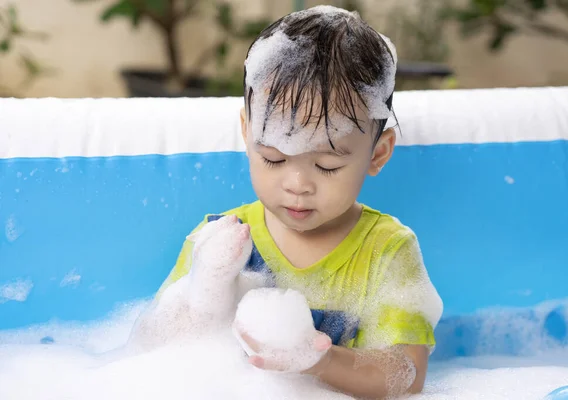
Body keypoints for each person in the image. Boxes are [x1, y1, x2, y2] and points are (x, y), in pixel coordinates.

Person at [157, 5, 443, 399]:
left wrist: (317, 361)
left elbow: (406, 375)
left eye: (326, 166)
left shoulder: (387, 252)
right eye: (273, 158)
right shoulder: (219, 241)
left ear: (377, 153)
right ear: (247, 131)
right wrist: (207, 292)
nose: (297, 184)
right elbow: (162, 353)